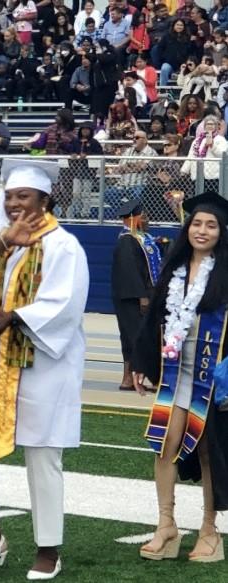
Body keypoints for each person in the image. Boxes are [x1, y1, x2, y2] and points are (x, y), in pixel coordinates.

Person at [0, 159, 90, 580]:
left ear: (44, 200)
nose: (14, 204)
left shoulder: (63, 245)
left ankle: (48, 548)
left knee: (43, 453)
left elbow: (64, 304)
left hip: (42, 364)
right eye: (9, 196)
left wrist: (12, 317)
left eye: (23, 196)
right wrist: (4, 242)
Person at [132, 189, 228, 563]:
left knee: (207, 450)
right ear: (188, 226)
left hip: (211, 380)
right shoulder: (173, 269)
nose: (202, 230)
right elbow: (155, 316)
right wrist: (141, 363)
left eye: (212, 225)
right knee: (165, 445)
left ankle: (209, 530)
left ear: (222, 232)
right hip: (175, 377)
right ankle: (166, 526)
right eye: (197, 223)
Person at [112, 198, 161, 392]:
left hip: (140, 296)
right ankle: (138, 379)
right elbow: (130, 271)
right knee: (137, 337)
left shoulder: (140, 238)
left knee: (134, 337)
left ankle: (128, 379)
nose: (147, 219)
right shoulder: (127, 241)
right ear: (134, 218)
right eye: (144, 216)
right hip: (133, 299)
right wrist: (143, 297)